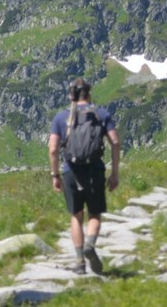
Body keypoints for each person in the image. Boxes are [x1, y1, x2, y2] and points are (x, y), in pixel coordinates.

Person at [48, 78, 121, 275]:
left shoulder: (61, 117)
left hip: (71, 171)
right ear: (89, 94)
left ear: (71, 95)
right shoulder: (101, 114)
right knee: (95, 214)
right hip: (95, 169)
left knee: (76, 216)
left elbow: (53, 149)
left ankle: (80, 262)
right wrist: (114, 173)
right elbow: (115, 142)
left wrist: (55, 175)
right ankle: (90, 244)